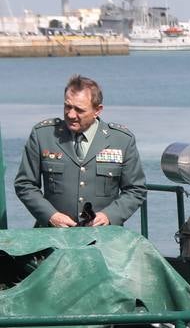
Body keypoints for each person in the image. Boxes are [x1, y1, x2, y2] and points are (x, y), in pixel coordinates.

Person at [14, 74, 146, 228]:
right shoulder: (43, 135)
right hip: (53, 236)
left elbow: (136, 189)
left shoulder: (121, 140)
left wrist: (109, 216)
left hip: (104, 239)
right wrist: (51, 215)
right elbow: (25, 184)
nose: (71, 115)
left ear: (98, 110)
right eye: (67, 106)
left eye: (79, 110)